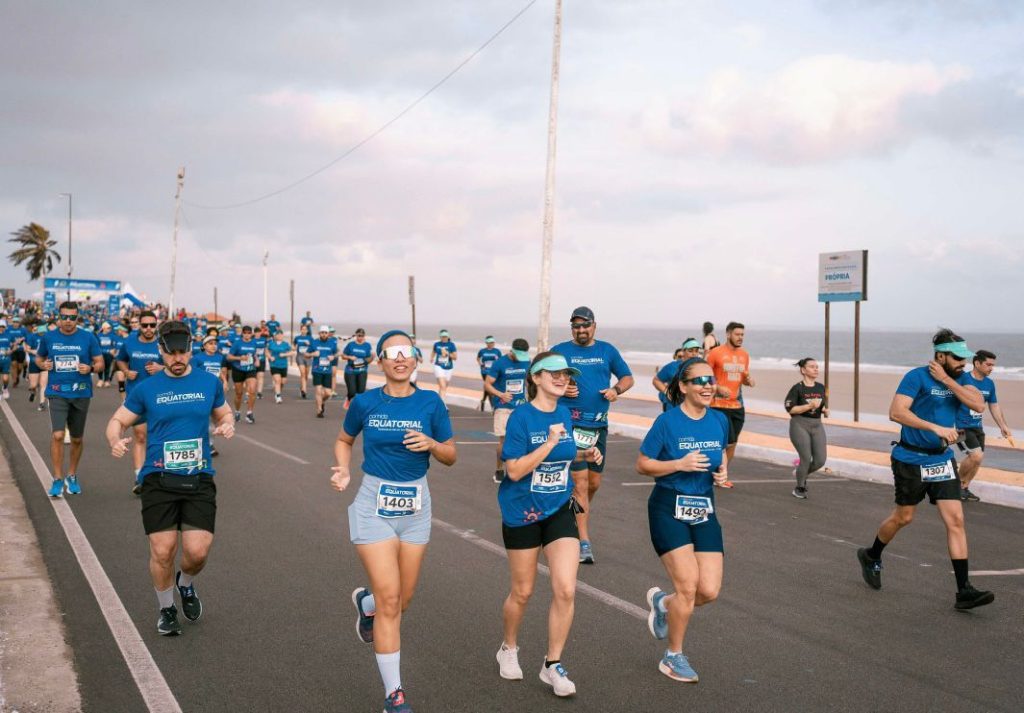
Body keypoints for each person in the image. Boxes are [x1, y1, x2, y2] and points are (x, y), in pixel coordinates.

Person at [330, 330, 456, 713]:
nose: (400, 359)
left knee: (403, 599)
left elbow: (451, 455)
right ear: (380, 361)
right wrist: (343, 469)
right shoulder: (365, 402)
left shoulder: (431, 403)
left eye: (407, 352)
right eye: (392, 353)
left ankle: (365, 603)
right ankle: (394, 696)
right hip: (373, 505)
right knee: (390, 600)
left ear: (416, 359)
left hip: (417, 508)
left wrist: (433, 445)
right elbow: (344, 439)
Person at [106, 321, 235, 636]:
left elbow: (224, 412)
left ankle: (185, 583)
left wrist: (228, 424)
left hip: (199, 477)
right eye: (171, 353)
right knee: (163, 550)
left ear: (191, 350)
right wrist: (114, 439)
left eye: (183, 352)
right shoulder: (147, 388)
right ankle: (166, 609)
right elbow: (117, 420)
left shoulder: (208, 383)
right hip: (158, 477)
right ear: (161, 351)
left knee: (197, 552)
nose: (178, 358)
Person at [856, 329, 994, 611]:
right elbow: (896, 412)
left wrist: (947, 380)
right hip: (910, 459)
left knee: (955, 520)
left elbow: (978, 404)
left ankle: (964, 591)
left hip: (941, 460)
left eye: (964, 359)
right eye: (956, 358)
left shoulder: (961, 379)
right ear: (940, 355)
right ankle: (872, 554)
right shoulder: (916, 377)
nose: (962, 364)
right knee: (903, 517)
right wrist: (935, 427)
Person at [496, 352, 601, 698]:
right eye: (553, 373)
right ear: (535, 377)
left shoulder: (563, 414)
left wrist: (586, 454)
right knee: (523, 591)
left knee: (566, 589)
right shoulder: (521, 418)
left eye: (565, 374)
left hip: (558, 509)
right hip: (522, 511)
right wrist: (551, 442)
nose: (561, 378)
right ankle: (508, 647)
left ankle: (552, 664)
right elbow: (513, 471)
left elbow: (564, 457)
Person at [637, 357, 728, 683]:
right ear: (684, 386)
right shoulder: (667, 423)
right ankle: (673, 656)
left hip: (703, 508)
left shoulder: (719, 420)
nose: (708, 385)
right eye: (700, 381)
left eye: (711, 380)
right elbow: (643, 464)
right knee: (688, 586)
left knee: (709, 590)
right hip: (668, 506)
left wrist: (722, 470)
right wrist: (679, 464)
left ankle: (663, 603)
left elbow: (722, 452)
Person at [552, 306, 633, 565]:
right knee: (581, 485)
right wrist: (562, 389)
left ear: (594, 326)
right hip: (570, 425)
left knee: (593, 484)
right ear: (571, 328)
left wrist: (616, 390)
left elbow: (628, 377)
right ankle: (583, 541)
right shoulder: (561, 351)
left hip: (597, 428)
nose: (581, 330)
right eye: (576, 326)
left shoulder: (607, 350)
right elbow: (539, 379)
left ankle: (575, 510)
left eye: (585, 325)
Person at [35, 302, 103, 497]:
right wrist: (44, 363)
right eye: (64, 317)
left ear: (77, 318)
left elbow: (100, 362)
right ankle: (57, 478)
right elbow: (39, 359)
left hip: (81, 392)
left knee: (77, 438)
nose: (68, 321)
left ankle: (71, 475)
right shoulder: (49, 337)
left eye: (72, 317)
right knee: (57, 435)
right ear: (59, 317)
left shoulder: (87, 337)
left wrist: (90, 368)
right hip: (57, 392)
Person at [956, 350, 1013, 502]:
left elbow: (993, 405)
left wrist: (1003, 425)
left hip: (977, 427)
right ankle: (955, 486)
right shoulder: (962, 379)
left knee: (978, 460)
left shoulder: (989, 384)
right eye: (988, 364)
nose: (991, 368)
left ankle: (964, 488)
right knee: (976, 455)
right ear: (977, 363)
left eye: (993, 365)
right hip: (961, 426)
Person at [117, 310, 164, 493]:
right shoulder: (129, 342)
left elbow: (178, 365)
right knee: (141, 436)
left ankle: (157, 472)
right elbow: (120, 360)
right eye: (145, 325)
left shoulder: (162, 344)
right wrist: (127, 372)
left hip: (160, 397)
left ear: (156, 325)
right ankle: (139, 477)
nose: (149, 329)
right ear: (139, 325)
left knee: (158, 437)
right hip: (136, 397)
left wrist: (161, 367)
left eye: (152, 325)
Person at [705, 322, 753, 488]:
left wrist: (749, 381)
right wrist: (717, 388)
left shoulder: (745, 355)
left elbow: (743, 378)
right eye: (737, 334)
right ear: (728, 334)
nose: (740, 337)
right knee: (725, 442)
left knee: (732, 443)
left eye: (742, 335)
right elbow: (705, 375)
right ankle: (721, 477)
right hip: (718, 405)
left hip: (737, 406)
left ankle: (721, 473)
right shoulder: (715, 353)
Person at [484, 339, 531, 483]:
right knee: (504, 440)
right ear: (512, 350)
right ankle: (499, 470)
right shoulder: (500, 363)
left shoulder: (527, 362)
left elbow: (531, 382)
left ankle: (520, 468)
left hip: (521, 406)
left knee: (524, 439)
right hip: (503, 406)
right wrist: (500, 395)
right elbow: (487, 384)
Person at [784, 358, 829, 499]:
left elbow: (821, 406)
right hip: (799, 424)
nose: (816, 369)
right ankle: (799, 487)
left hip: (817, 424)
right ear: (803, 370)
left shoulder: (821, 387)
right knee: (805, 458)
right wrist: (808, 406)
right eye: (812, 367)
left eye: (817, 367)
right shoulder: (797, 388)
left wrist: (824, 411)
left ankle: (800, 472)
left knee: (820, 460)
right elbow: (790, 409)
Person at [194, 335, 227, 457]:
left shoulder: (220, 357)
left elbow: (221, 371)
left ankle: (209, 443)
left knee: (214, 420)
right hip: (200, 393)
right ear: (204, 346)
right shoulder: (197, 358)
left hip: (215, 392)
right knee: (203, 419)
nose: (214, 346)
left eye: (215, 343)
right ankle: (204, 444)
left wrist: (225, 381)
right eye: (210, 343)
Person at [653, 339, 701, 413]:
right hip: (673, 408)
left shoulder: (702, 368)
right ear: (683, 351)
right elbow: (656, 380)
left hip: (693, 409)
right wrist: (667, 392)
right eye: (690, 351)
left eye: (696, 351)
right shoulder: (672, 367)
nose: (694, 354)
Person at [226, 325, 259, 424]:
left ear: (251, 334)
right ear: (242, 333)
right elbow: (229, 357)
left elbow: (254, 354)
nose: (247, 335)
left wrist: (256, 360)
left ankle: (249, 413)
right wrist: (239, 358)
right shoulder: (237, 343)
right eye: (245, 332)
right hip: (238, 369)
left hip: (250, 369)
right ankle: (237, 411)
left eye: (249, 333)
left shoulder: (254, 343)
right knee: (239, 394)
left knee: (252, 390)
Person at [306, 326, 339, 418]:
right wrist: (312, 354)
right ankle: (319, 410)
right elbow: (306, 354)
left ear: (328, 334)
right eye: (322, 332)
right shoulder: (314, 342)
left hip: (327, 370)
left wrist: (333, 357)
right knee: (318, 390)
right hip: (317, 369)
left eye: (325, 332)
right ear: (319, 333)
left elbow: (338, 352)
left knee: (328, 393)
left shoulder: (332, 343)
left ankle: (322, 401)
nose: (324, 334)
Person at [342, 328, 375, 409]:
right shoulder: (351, 345)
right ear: (356, 335)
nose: (360, 337)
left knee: (361, 391)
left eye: (362, 336)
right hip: (350, 370)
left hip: (362, 371)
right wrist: (349, 357)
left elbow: (369, 359)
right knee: (352, 391)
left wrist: (371, 357)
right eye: (359, 335)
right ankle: (349, 398)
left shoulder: (367, 345)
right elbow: (343, 356)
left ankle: (356, 407)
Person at [266, 331, 295, 404]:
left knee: (283, 382)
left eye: (280, 334)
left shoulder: (285, 344)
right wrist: (270, 357)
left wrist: (285, 354)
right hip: (274, 365)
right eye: (277, 334)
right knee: (277, 380)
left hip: (283, 365)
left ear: (282, 335)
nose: (279, 336)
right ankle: (278, 396)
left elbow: (293, 352)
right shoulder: (271, 344)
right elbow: (266, 351)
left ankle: (277, 393)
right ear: (275, 336)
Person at [477, 336, 503, 411]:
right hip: (485, 371)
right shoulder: (482, 351)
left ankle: (483, 401)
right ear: (486, 343)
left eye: (492, 342)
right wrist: (481, 364)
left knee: (488, 387)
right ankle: (493, 406)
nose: (491, 344)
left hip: (494, 372)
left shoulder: (497, 351)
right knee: (488, 386)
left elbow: (500, 361)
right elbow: (478, 359)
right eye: (489, 342)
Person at [431, 330, 457, 402]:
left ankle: (438, 402)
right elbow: (433, 351)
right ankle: (443, 406)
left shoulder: (451, 345)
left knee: (444, 387)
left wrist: (447, 353)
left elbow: (455, 358)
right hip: (439, 366)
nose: (444, 338)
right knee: (443, 386)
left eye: (445, 336)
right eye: (442, 337)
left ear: (448, 336)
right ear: (440, 337)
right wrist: (431, 358)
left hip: (449, 368)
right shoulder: (437, 344)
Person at [293, 323, 313, 399]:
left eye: (305, 329)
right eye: (302, 329)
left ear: (307, 330)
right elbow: (294, 345)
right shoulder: (297, 337)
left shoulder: (310, 338)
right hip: (300, 356)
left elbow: (314, 347)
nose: (304, 330)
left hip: (308, 357)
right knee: (303, 373)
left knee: (306, 375)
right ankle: (304, 390)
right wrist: (294, 348)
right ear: (300, 330)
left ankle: (302, 388)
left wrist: (309, 344)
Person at [96, 322, 117, 387]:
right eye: (108, 328)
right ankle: (100, 380)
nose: (109, 329)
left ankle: (106, 380)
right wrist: (107, 351)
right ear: (103, 328)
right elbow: (96, 347)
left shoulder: (112, 336)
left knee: (107, 367)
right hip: (100, 354)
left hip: (109, 355)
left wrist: (114, 351)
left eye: (110, 328)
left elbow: (114, 345)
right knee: (100, 367)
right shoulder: (98, 335)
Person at [0, 320, 13, 398]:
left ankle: (5, 388)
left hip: (6, 359)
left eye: (2, 327)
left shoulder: (9, 335)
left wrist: (10, 351)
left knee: (5, 378)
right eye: (0, 326)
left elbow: (14, 345)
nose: (1, 328)